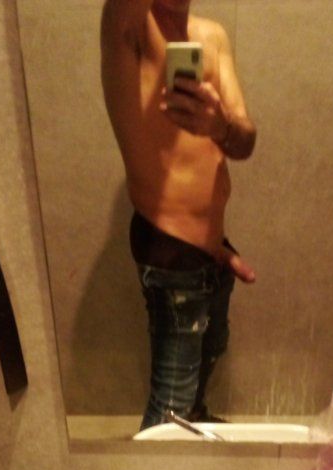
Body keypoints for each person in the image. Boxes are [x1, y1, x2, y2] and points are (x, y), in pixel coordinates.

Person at [101, 0, 257, 429]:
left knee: (210, 352)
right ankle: (162, 460)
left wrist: (221, 126)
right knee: (170, 406)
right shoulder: (129, 28)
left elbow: (245, 141)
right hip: (169, 251)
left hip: (214, 250)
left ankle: (196, 418)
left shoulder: (213, 36)